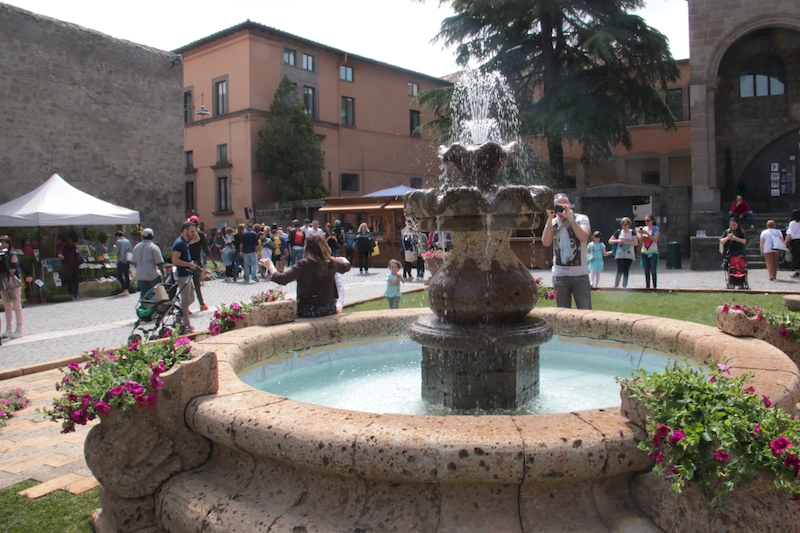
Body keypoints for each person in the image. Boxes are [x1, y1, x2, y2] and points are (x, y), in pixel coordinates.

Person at [259, 233, 351, 318]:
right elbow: (347, 266)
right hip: (328, 309)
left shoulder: (303, 264)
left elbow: (282, 279)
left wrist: (270, 266)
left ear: (306, 248)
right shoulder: (331, 263)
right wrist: (343, 259)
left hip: (308, 310)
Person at [541, 193, 592, 309]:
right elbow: (546, 242)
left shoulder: (581, 219)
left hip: (580, 274)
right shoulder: (553, 222)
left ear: (569, 205)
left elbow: (584, 237)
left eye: (565, 204)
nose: (562, 207)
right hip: (560, 275)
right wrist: (549, 218)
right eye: (558, 205)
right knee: (563, 311)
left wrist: (570, 218)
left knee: (585, 310)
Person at [172, 222, 200, 333]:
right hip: (182, 275)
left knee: (191, 298)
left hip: (187, 274)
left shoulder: (185, 241)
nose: (194, 234)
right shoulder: (179, 243)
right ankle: (187, 325)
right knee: (185, 301)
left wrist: (193, 230)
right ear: (185, 231)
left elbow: (197, 239)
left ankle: (178, 319)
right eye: (192, 231)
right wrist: (189, 264)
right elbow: (174, 260)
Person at [187, 215, 218, 310]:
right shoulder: (200, 234)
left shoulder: (186, 234)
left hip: (186, 261)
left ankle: (186, 307)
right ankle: (202, 304)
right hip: (196, 262)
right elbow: (206, 249)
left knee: (186, 285)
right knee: (197, 284)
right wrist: (213, 262)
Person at [131, 228, 165, 299]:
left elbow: (134, 262)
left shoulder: (136, 247)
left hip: (140, 273)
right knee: (158, 291)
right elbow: (159, 263)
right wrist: (163, 274)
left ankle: (144, 306)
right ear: (152, 236)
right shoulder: (154, 247)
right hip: (151, 273)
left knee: (144, 293)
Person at [0, 235, 23, 339]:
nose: (4, 244)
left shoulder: (11, 254)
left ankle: (19, 328)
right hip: (2, 282)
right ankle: (9, 328)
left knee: (16, 305)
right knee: (7, 305)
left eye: (6, 242)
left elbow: (12, 270)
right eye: (2, 242)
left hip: (12, 282)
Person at [609, 217, 639, 288]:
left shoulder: (632, 232)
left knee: (626, 270)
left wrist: (626, 243)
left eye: (626, 224)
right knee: (619, 269)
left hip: (629, 254)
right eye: (623, 224)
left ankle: (624, 286)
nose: (624, 226)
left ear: (629, 225)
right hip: (619, 254)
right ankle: (616, 285)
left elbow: (636, 242)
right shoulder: (618, 232)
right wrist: (618, 241)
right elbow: (610, 241)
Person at [637, 216, 660, 290]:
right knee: (646, 270)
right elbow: (641, 241)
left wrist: (648, 234)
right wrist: (641, 234)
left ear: (652, 221)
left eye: (648, 221)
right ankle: (647, 286)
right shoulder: (644, 229)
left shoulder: (655, 229)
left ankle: (654, 286)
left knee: (653, 269)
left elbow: (656, 240)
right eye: (645, 221)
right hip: (644, 252)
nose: (646, 222)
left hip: (653, 252)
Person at [57, 235, 81, 300]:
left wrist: (64, 258)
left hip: (67, 265)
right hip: (75, 264)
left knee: (69, 280)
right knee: (75, 279)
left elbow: (59, 255)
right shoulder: (73, 245)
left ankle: (71, 294)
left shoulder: (62, 246)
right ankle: (76, 294)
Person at [114, 230, 132, 296]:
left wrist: (114, 248)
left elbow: (116, 252)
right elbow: (130, 250)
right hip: (127, 260)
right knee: (126, 275)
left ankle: (124, 289)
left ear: (117, 236)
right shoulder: (128, 241)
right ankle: (127, 289)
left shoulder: (118, 242)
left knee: (119, 275)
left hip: (121, 260)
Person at [786, 209, 800, 278]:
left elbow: (790, 234)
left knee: (796, 256)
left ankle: (797, 271)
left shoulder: (792, 223)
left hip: (795, 241)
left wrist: (785, 242)